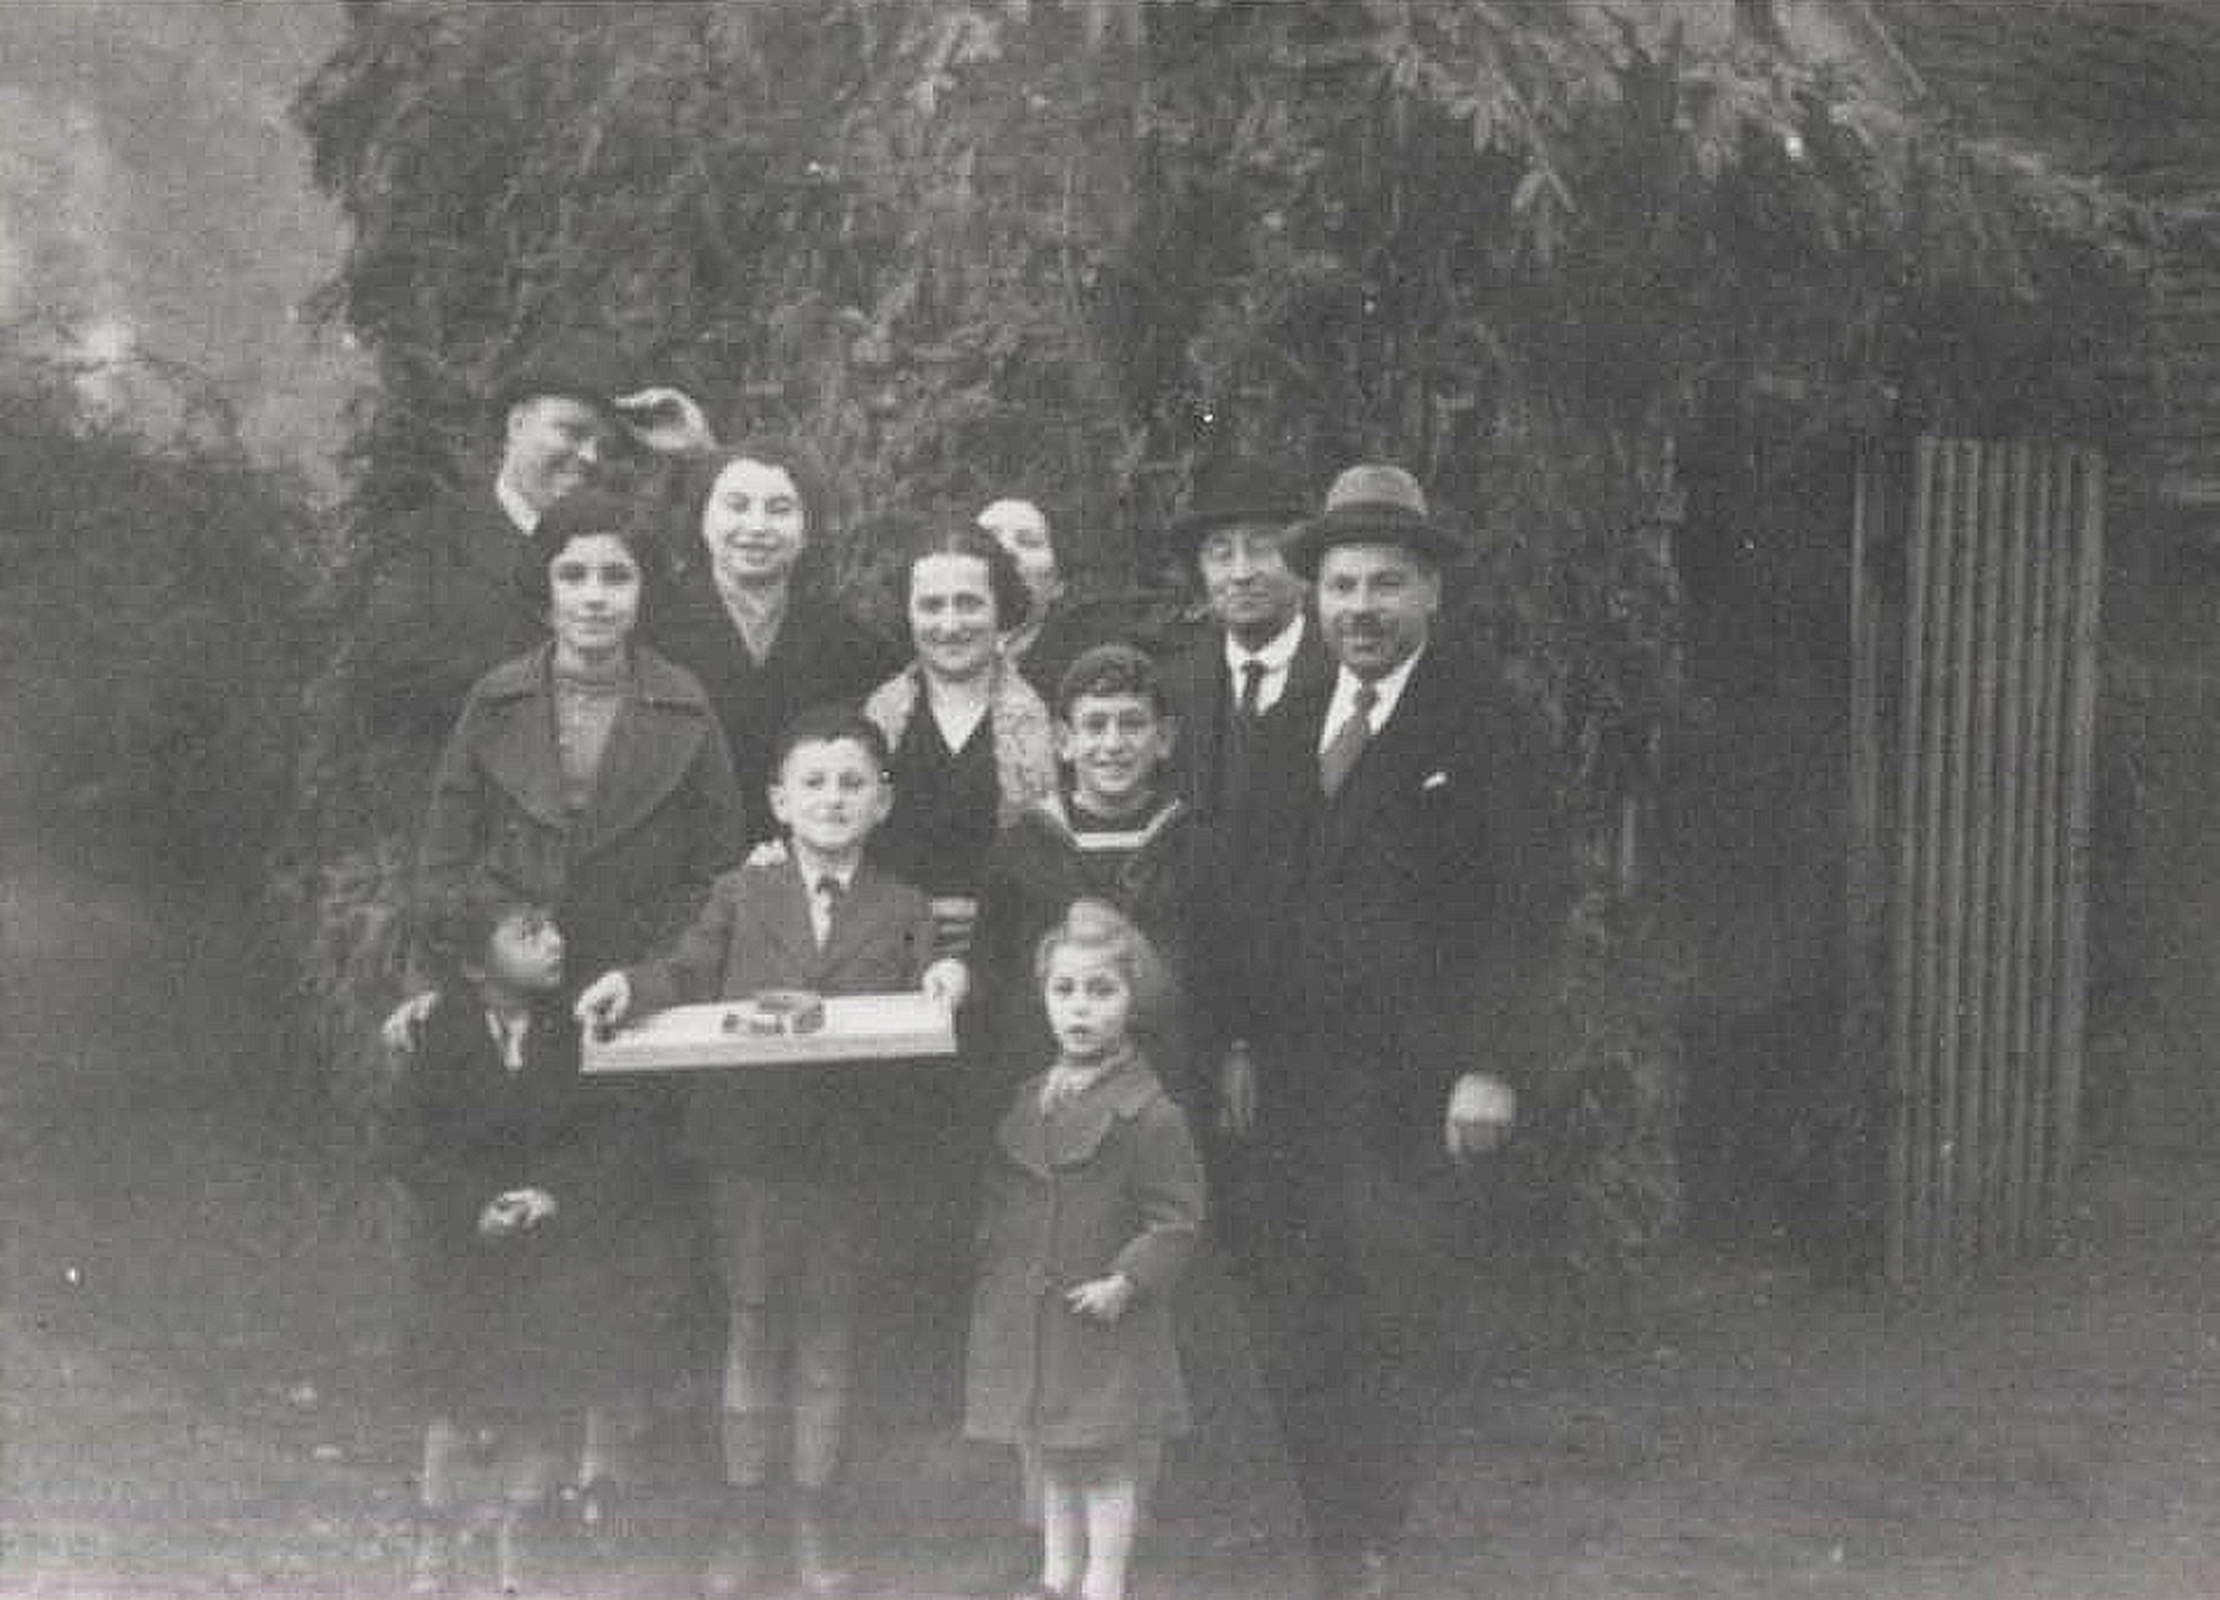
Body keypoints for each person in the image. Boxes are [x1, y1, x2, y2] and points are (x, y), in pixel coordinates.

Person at [1225, 464, 1569, 1599]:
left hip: (1414, 1086)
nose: (1358, 609)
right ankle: (1319, 1528)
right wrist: (1233, 1038)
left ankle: (1369, 1539)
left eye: (1383, 584)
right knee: (1297, 1299)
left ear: (1430, 594)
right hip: (1292, 1080)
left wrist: (1492, 1065)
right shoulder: (1287, 716)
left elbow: (1528, 907)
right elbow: (1253, 892)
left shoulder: (1486, 722)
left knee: (1386, 1305)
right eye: (1337, 586)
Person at [574, 708, 968, 1597]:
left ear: (883, 802)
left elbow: (922, 997)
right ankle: (744, 1518)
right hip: (747, 1146)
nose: (834, 798)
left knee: (830, 1328)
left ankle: (811, 1520)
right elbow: (682, 973)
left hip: (849, 1156)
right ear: (780, 800)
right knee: (752, 1323)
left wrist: (946, 980)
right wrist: (625, 987)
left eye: (853, 783)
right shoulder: (741, 894)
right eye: (815, 782)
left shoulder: (905, 909)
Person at [415, 487, 748, 1531]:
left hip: (629, 999)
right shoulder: (496, 702)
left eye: (617, 575)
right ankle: (512, 1443)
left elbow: (717, 876)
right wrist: (470, 968)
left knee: (615, 1210)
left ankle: (606, 1454)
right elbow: (445, 854)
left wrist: (648, 978)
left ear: (645, 590)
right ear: (545, 587)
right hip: (515, 990)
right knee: (510, 1200)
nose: (596, 597)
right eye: (574, 575)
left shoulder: (686, 707)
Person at [964, 900, 1206, 1600]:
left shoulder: (1150, 1113)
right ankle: (1056, 1576)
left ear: (1135, 1001)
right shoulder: (1029, 1098)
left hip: (1103, 1325)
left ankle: (1105, 1583)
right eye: (1064, 990)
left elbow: (1179, 1220)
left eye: (1103, 991)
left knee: (1104, 1465)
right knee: (1052, 1460)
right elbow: (1006, 1204)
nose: (1081, 1009)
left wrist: (1126, 1282)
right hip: (1039, 1324)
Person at [382, 881, 582, 1597]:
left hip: (545, 1248)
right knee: (455, 1396)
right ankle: (435, 1545)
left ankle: (517, 1547)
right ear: (474, 966)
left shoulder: (571, 1029)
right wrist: (473, 1207)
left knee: (540, 1391)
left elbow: (592, 1134)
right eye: (530, 932)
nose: (555, 941)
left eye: (554, 927)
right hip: (460, 1251)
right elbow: (408, 1146)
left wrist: (550, 1193)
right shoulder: (441, 1034)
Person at [354, 331, 644, 745]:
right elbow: (388, 675)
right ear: (517, 423)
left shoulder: (630, 552)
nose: (590, 458)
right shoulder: (429, 539)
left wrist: (698, 450)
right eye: (573, 432)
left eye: (607, 446)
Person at [653, 440, 903, 847]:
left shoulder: (851, 645)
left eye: (780, 509)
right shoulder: (653, 632)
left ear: (808, 529)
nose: (756, 527)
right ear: (702, 518)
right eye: (736, 505)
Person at [863, 522, 1060, 946]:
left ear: (1001, 608)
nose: (950, 625)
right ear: (907, 612)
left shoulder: (1042, 722)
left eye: (969, 604)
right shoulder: (877, 720)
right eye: (931, 606)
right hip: (891, 951)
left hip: (1011, 947)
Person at [1159, 456, 1333, 823]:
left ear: (1303, 567)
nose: (1241, 573)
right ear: (1202, 573)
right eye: (1221, 554)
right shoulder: (1173, 689)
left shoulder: (1345, 677)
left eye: (1261, 548)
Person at [978, 496, 1099, 705]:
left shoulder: (1087, 677)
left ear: (1059, 584)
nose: (1006, 549)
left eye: (1028, 542)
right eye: (989, 538)